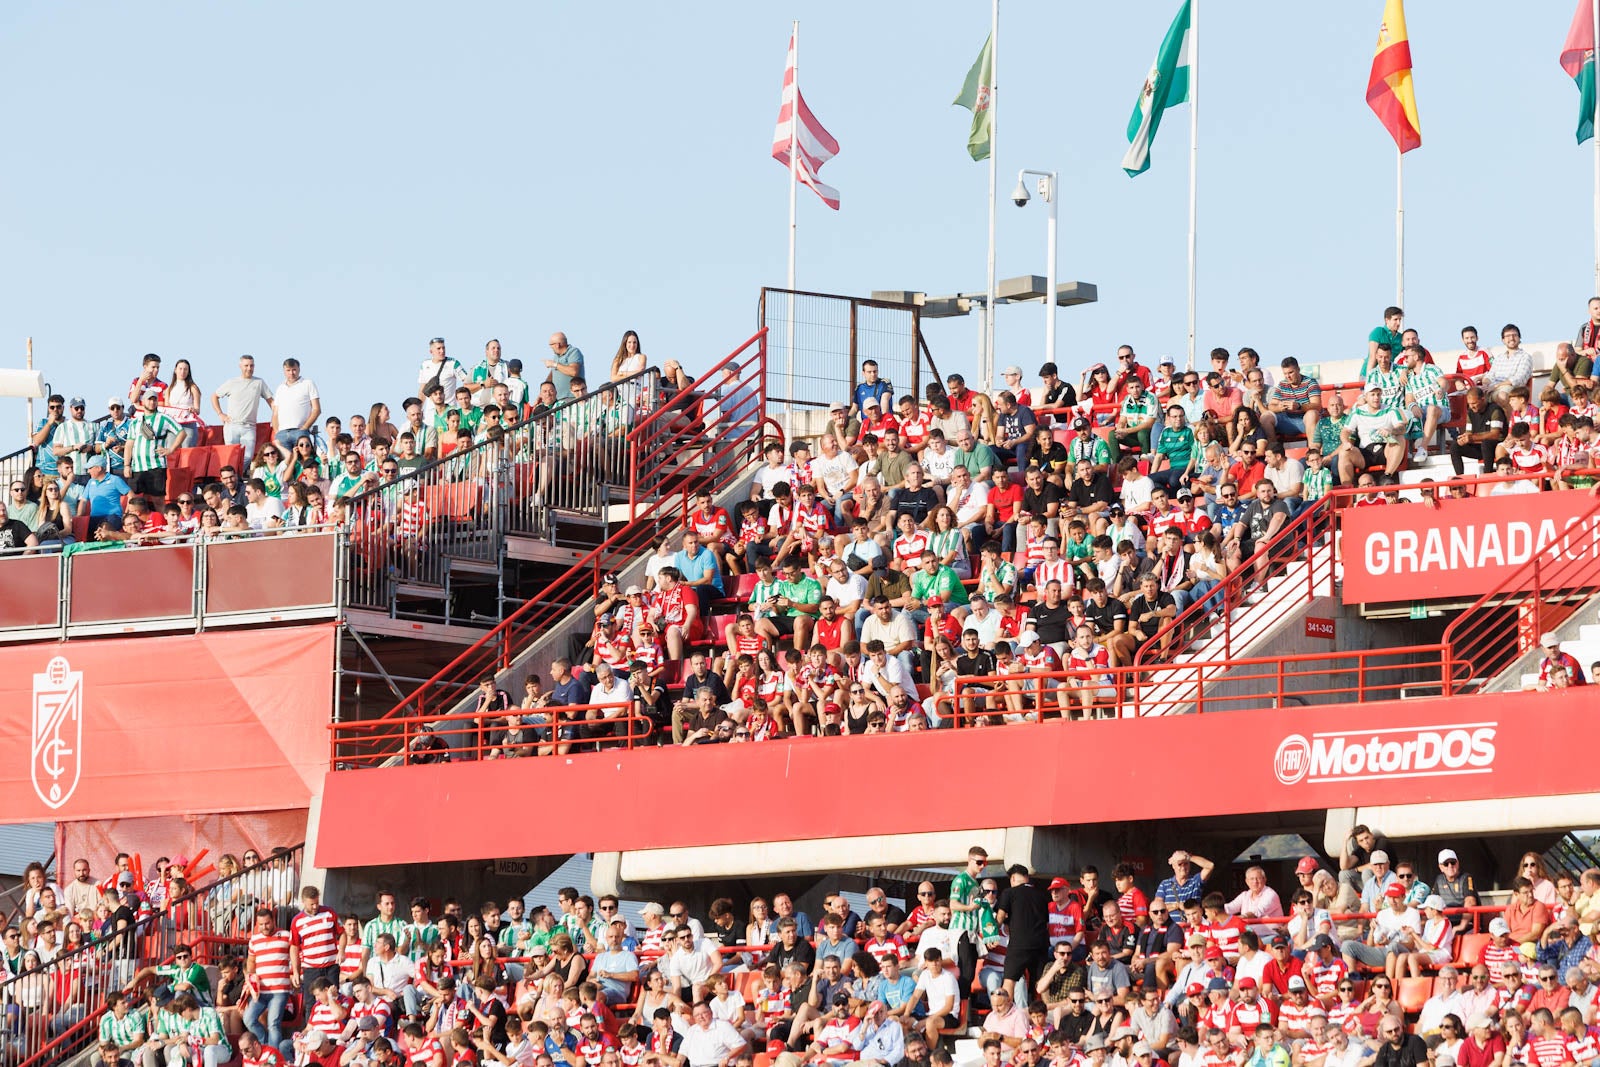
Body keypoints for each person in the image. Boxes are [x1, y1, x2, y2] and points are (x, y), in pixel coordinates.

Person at [271, 358, 322, 449]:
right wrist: (277, 431)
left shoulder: (308, 383)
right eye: (288, 370)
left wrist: (305, 427)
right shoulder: (280, 388)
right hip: (282, 433)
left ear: (299, 369)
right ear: (284, 371)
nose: (291, 373)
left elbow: (316, 409)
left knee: (303, 461)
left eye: (294, 369)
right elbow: (275, 414)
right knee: (285, 462)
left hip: (300, 431)